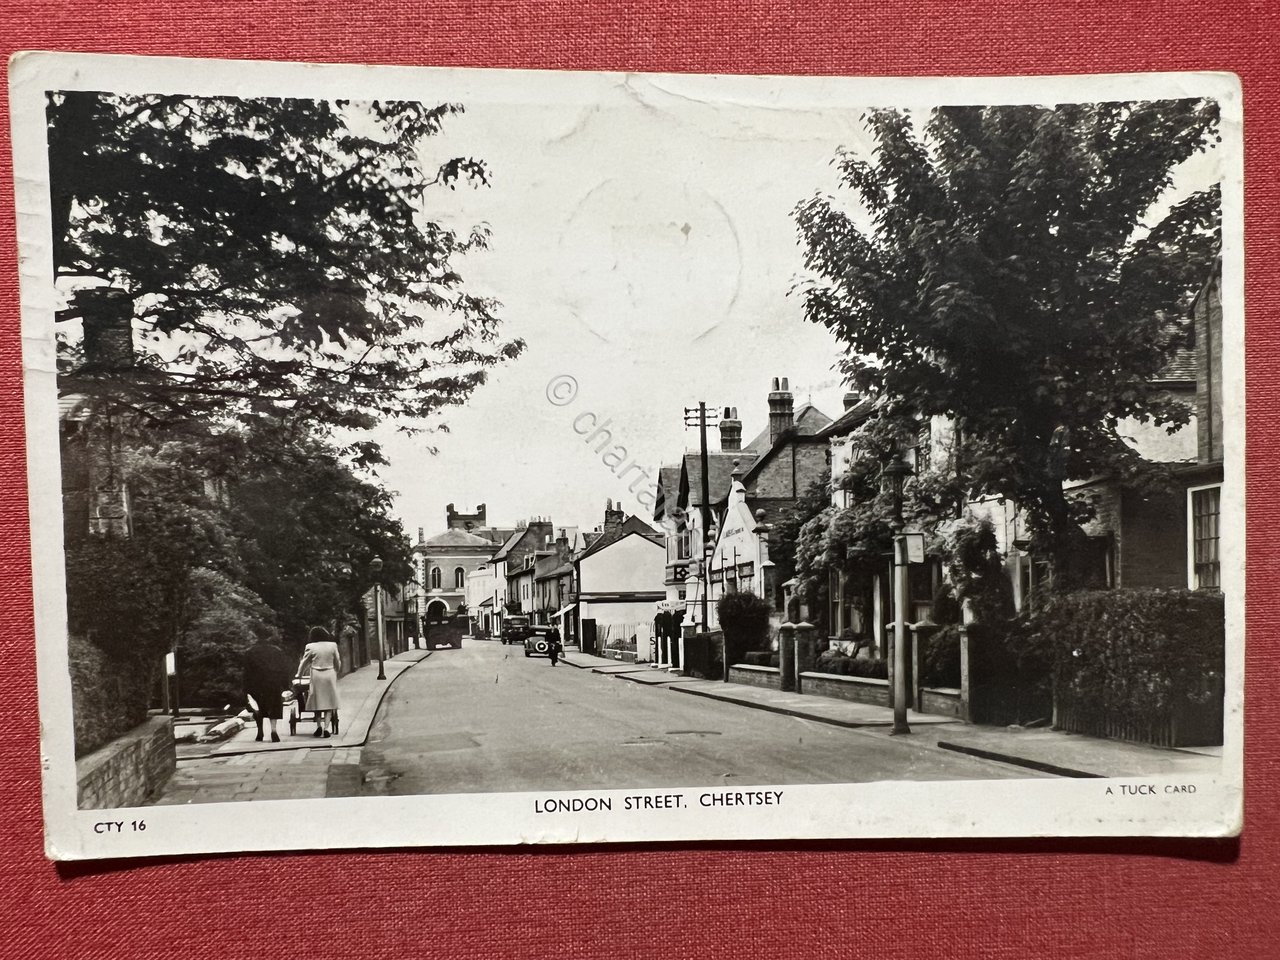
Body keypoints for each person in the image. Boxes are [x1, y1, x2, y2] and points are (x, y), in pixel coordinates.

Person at [242, 638, 294, 742]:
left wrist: (246, 687)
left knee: (258, 707)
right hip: (273, 683)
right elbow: (284, 669)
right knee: (274, 706)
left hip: (256, 683)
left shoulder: (250, 652)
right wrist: (285, 685)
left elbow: (246, 671)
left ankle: (260, 731)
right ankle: (274, 731)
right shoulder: (277, 651)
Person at [297, 626, 342, 738]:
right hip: (330, 673)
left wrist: (299, 674)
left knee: (317, 701)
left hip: (316, 675)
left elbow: (304, 662)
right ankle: (326, 728)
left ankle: (318, 726)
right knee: (329, 701)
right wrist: (336, 670)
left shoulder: (310, 646)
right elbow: (337, 660)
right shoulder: (332, 645)